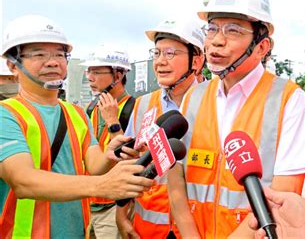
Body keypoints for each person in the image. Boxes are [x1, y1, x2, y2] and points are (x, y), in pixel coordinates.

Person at [167, 0, 305, 238]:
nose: (216, 41)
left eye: (233, 30)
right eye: (212, 29)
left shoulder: (288, 99)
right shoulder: (195, 95)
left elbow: (282, 196)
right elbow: (176, 177)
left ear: (262, 47)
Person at [0, 14, 153, 238]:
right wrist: (103, 185)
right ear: (13, 65)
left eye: (59, 54)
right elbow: (23, 181)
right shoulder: (6, 115)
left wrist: (110, 154)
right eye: (39, 54)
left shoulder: (76, 113)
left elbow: (94, 165)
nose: (53, 61)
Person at [116, 18, 205, 239]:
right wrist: (120, 212)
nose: (160, 62)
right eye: (156, 54)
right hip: (149, 228)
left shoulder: (214, 103)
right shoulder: (143, 105)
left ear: (197, 60)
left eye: (170, 54)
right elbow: (131, 162)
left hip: (199, 227)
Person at [79, 43, 136, 238]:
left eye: (96, 71)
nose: (89, 77)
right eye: (89, 71)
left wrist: (113, 121)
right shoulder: (92, 107)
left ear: (118, 75)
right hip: (89, 202)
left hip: (114, 206)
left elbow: (132, 160)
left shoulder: (133, 108)